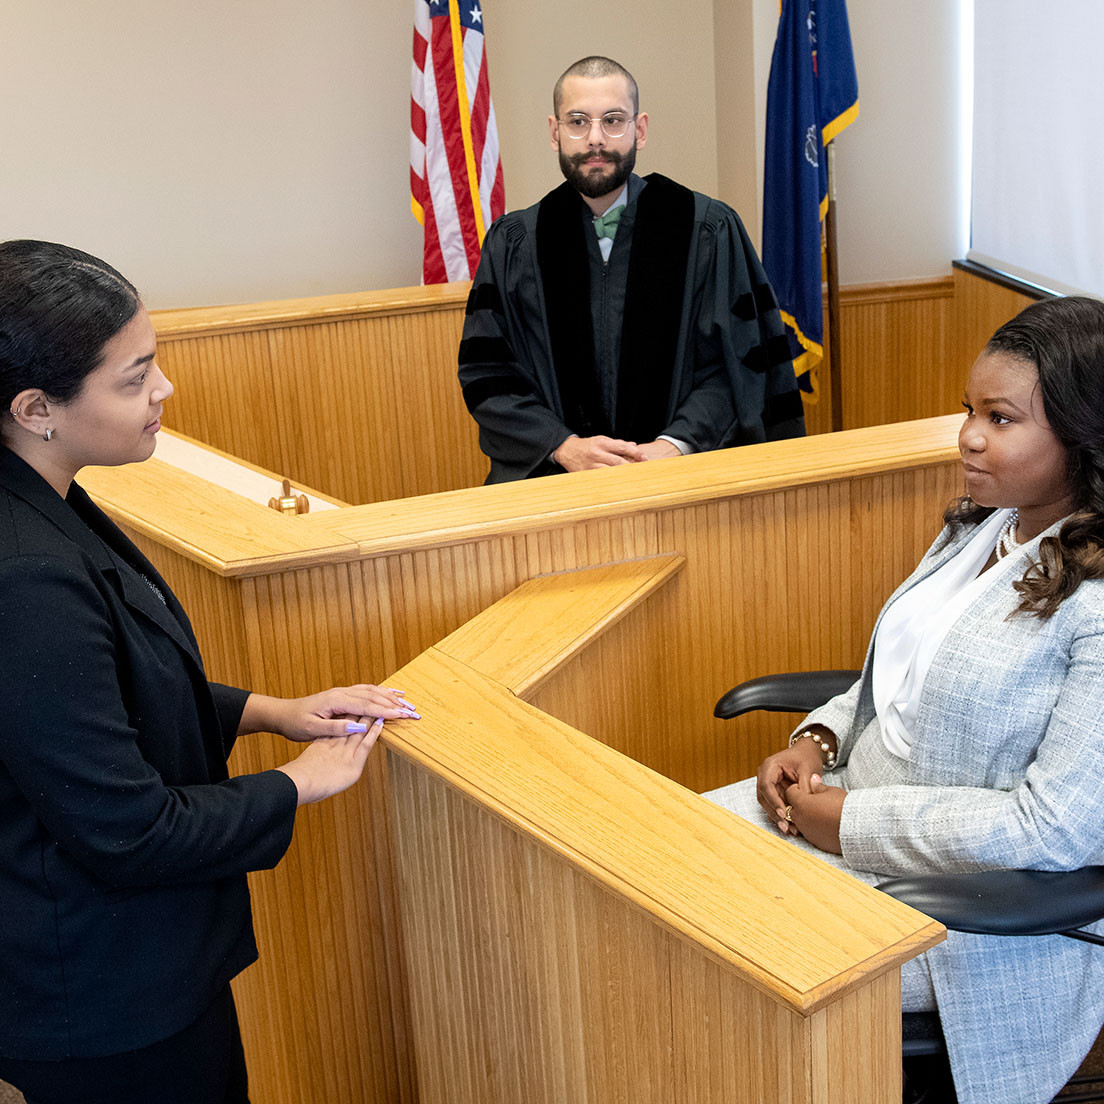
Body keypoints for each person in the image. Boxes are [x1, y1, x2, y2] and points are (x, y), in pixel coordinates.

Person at [0, 240, 420, 1104]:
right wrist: (300, 785)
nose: (165, 393)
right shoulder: (26, 576)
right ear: (38, 407)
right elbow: (131, 830)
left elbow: (102, 702)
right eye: (134, 377)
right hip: (101, 996)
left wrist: (272, 711)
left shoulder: (42, 493)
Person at [704, 295, 1104, 1104]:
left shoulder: (1096, 605)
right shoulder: (983, 528)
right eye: (968, 410)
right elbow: (891, 678)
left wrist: (847, 824)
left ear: (1083, 434)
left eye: (1000, 417)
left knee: (709, 956)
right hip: (840, 808)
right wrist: (815, 743)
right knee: (654, 862)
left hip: (974, 911)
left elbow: (1055, 829)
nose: (968, 435)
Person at [457, 55, 805, 483]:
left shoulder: (707, 230)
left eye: (613, 120)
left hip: (681, 483)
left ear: (639, 129)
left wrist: (675, 444)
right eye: (578, 121)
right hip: (555, 490)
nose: (595, 139)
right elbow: (487, 371)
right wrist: (561, 445)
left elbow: (738, 363)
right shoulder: (514, 243)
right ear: (555, 132)